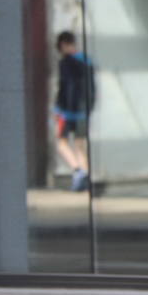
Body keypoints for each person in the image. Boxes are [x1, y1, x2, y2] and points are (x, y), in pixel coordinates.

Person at [53, 31, 95, 192]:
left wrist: (60, 108)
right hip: (83, 111)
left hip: (68, 111)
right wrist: (89, 108)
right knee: (80, 145)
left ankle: (78, 171)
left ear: (63, 45)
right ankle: (84, 176)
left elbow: (66, 88)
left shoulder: (66, 62)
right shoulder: (86, 61)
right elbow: (92, 89)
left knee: (61, 142)